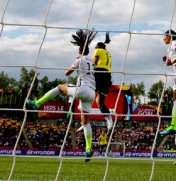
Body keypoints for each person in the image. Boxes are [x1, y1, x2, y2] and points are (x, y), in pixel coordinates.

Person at [27, 29, 97, 162]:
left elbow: (67, 73)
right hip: (91, 92)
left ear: (79, 51)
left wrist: (74, 63)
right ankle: (88, 149)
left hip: (82, 89)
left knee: (60, 87)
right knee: (85, 122)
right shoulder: (93, 61)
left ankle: (38, 103)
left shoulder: (79, 59)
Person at [92, 32, 113, 133]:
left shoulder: (97, 50)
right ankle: (109, 121)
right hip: (107, 76)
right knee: (100, 103)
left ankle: (84, 121)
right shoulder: (109, 54)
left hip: (98, 73)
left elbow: (94, 62)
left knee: (85, 89)